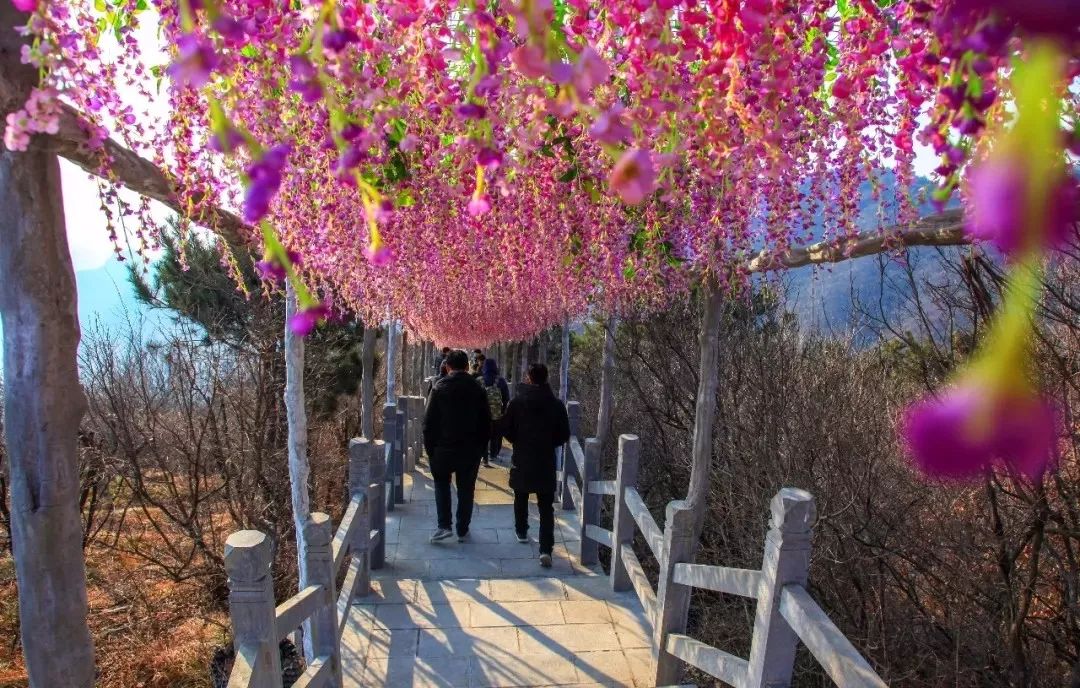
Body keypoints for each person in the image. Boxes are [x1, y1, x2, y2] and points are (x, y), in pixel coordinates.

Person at [498, 362, 570, 568]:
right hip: (546, 459)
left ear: (528, 378)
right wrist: (549, 443)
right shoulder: (556, 405)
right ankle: (545, 549)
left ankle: (521, 530)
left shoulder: (517, 402)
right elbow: (563, 434)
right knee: (546, 507)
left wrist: (517, 441)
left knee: (520, 495)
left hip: (522, 456)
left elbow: (506, 427)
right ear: (546, 378)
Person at [423, 349, 491, 543]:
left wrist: (430, 451)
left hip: (443, 448)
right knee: (466, 488)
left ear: (447, 366)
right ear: (468, 366)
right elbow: (486, 422)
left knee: (441, 484)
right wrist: (480, 448)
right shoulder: (478, 389)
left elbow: (428, 423)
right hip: (470, 449)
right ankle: (462, 528)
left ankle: (444, 525)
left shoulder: (438, 388)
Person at [479, 358, 510, 467]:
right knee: (495, 435)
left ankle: (484, 457)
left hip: (482, 414)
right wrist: (503, 410)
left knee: (482, 435)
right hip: (497, 414)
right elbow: (506, 398)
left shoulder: (479, 380)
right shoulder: (500, 381)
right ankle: (493, 454)